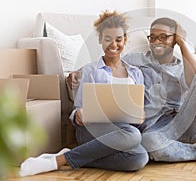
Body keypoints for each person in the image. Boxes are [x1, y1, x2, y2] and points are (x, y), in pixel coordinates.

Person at [19, 10, 149, 177]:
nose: (114, 44)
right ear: (100, 40)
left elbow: (140, 109)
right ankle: (56, 162)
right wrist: (78, 114)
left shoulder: (136, 73)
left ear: (125, 40)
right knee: (133, 135)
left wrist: (140, 114)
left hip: (123, 131)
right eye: (108, 39)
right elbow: (77, 110)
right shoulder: (90, 71)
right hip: (92, 129)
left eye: (118, 39)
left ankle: (67, 157)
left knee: (139, 157)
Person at [122, 17, 196, 171]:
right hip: (155, 128)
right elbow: (109, 68)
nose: (156, 41)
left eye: (164, 37)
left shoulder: (181, 65)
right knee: (148, 143)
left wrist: (182, 42)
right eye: (152, 37)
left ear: (174, 39)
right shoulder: (134, 59)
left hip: (183, 122)